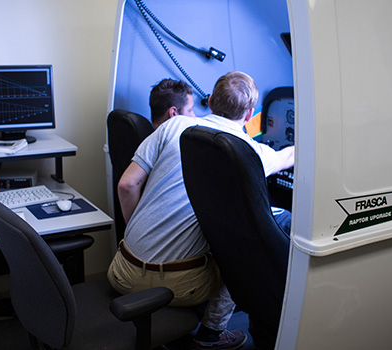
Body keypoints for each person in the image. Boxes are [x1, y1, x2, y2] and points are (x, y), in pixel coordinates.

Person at [107, 72, 294, 349]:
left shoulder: (173, 125)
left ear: (209, 100)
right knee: (245, 244)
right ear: (249, 114)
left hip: (121, 270)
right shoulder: (248, 151)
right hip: (177, 285)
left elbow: (127, 184)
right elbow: (287, 156)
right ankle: (211, 336)